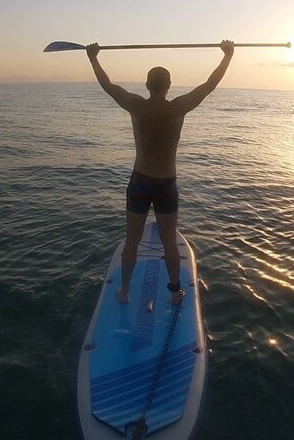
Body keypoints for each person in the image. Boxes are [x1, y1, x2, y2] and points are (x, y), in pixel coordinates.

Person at [86, 40, 235, 304]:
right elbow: (209, 85)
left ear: (147, 85)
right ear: (169, 85)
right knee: (168, 242)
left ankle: (124, 290)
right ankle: (176, 291)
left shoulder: (136, 105)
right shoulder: (177, 107)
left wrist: (93, 57)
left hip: (140, 180)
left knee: (132, 240)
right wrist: (227, 56)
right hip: (166, 184)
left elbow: (108, 86)